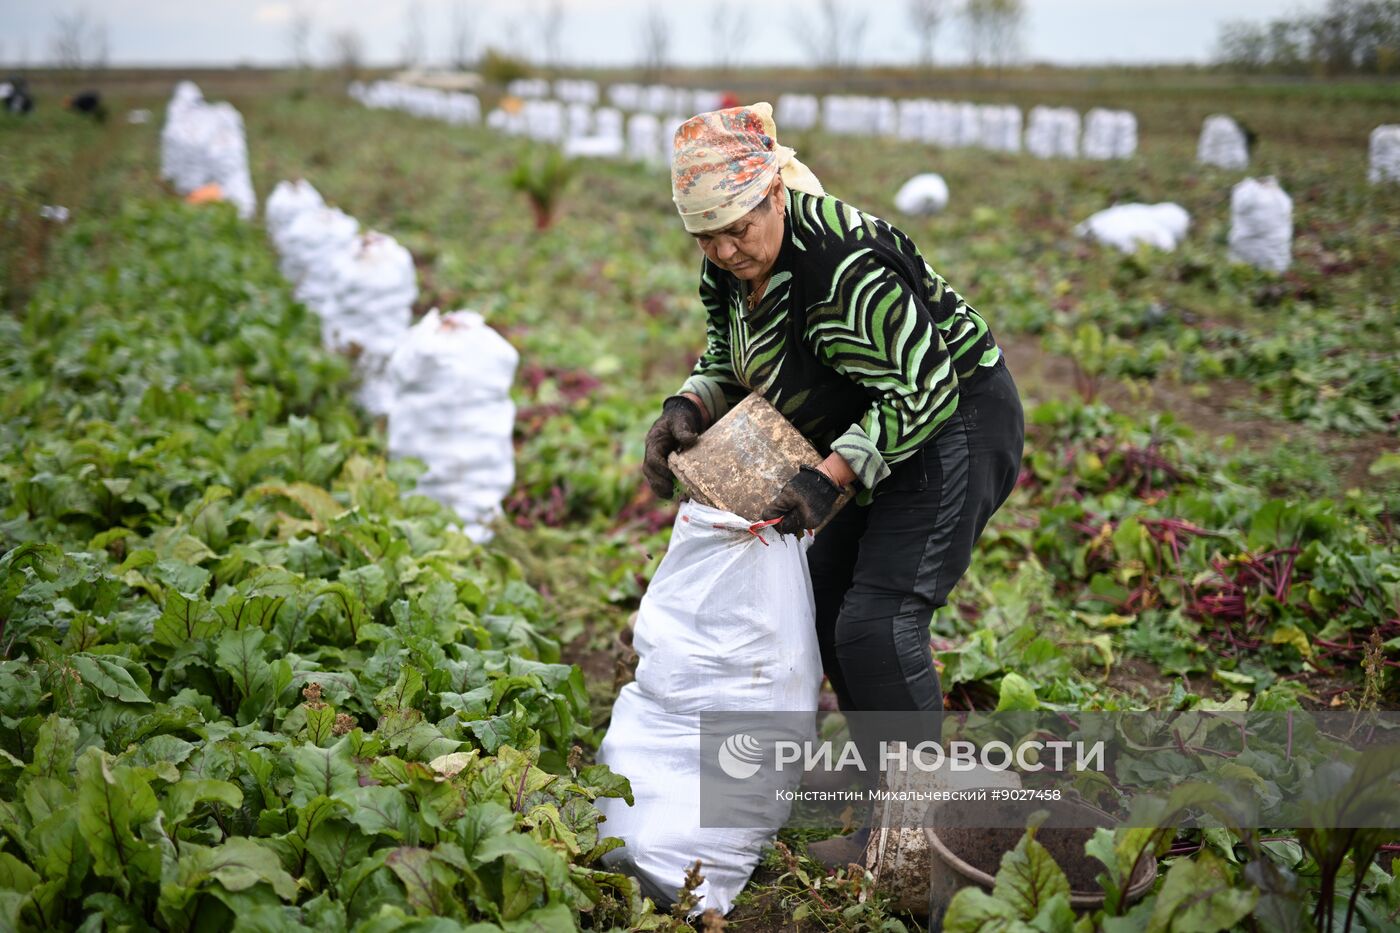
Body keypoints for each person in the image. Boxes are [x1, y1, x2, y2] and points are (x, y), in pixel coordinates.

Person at [641, 102, 1025, 868]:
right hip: (871, 427)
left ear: (774, 195)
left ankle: (913, 842)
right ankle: (886, 799)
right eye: (704, 236)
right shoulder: (730, 263)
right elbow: (728, 353)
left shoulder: (847, 266)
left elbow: (922, 386)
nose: (722, 249)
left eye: (737, 229)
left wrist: (829, 478)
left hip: (954, 420)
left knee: (879, 621)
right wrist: (686, 405)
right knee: (824, 603)